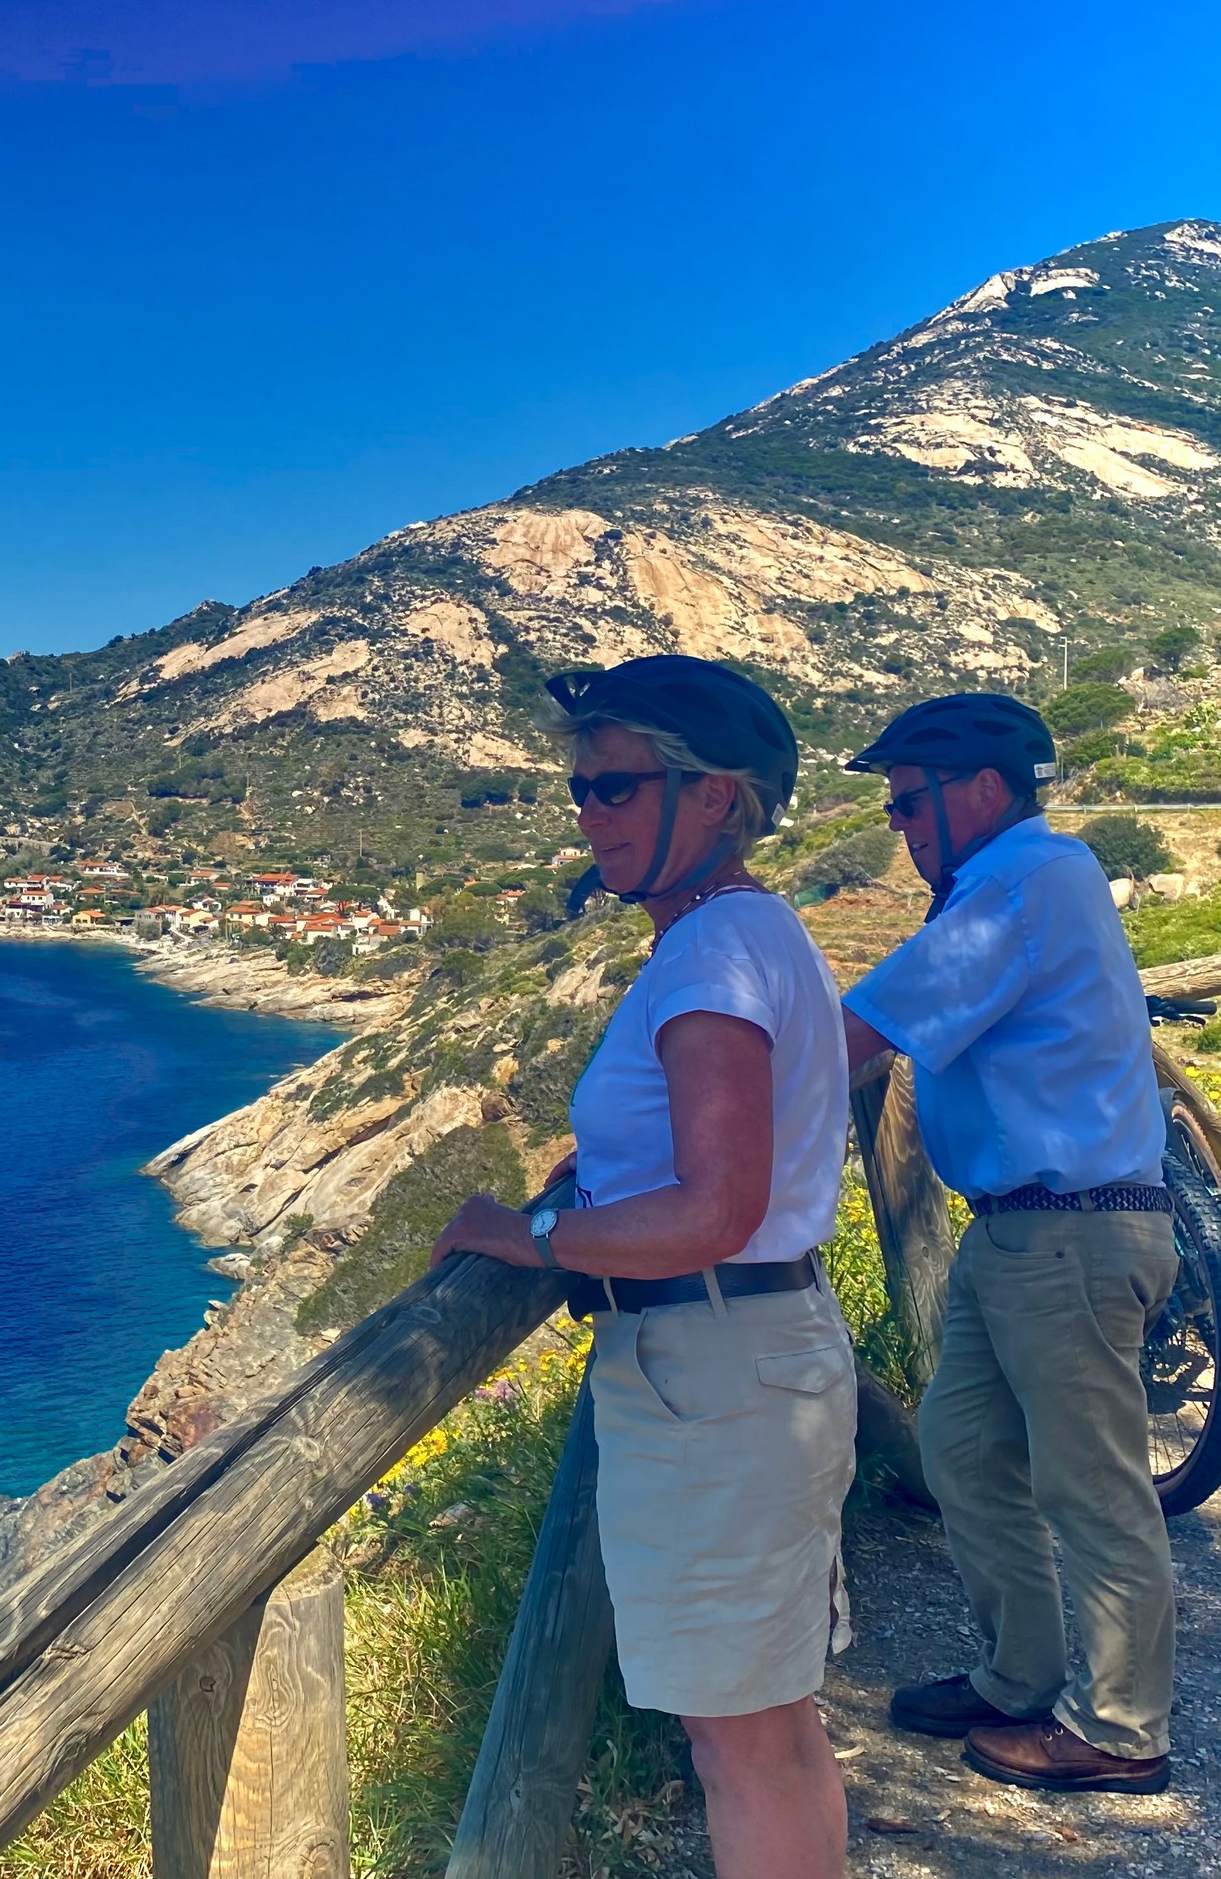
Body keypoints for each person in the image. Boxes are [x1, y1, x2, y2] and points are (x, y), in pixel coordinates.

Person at [432, 655, 856, 1879]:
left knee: (738, 1744)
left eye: (613, 787)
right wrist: (603, 1175)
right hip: (748, 1363)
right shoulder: (749, 931)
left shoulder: (713, 955)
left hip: (712, 1376)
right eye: (579, 792)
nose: (588, 816)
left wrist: (533, 1236)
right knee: (770, 1729)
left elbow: (714, 1208)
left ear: (714, 797)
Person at [837, 693, 1177, 1797]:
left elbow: (860, 1034)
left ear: (979, 788)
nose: (898, 824)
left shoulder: (1023, 880)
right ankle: (1017, 1679)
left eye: (906, 801)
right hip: (1021, 1232)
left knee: (1091, 1488)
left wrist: (682, 1103)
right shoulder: (1007, 883)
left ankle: (1121, 1731)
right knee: (965, 1453)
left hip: (1066, 1235)